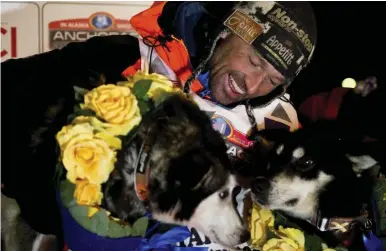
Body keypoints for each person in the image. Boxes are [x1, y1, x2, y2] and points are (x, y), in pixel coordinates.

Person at [1, 1, 317, 247]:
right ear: (227, 31)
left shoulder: (279, 127)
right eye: (253, 61)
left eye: (273, 80)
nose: (252, 84)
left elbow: (293, 224)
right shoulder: (131, 59)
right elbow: (12, 97)